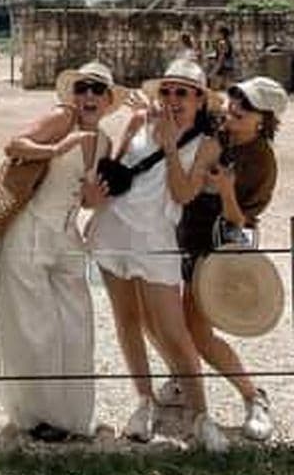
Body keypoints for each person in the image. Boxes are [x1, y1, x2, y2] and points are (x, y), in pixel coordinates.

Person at [87, 58, 228, 451]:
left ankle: (201, 415)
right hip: (115, 229)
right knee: (127, 321)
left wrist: (168, 145)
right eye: (166, 90)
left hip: (157, 238)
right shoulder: (137, 122)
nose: (171, 99)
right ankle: (144, 401)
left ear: (199, 100)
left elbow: (183, 194)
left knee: (174, 331)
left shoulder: (206, 145)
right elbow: (111, 172)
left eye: (182, 92)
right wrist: (93, 202)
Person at [0, 61, 124, 442]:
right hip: (28, 231)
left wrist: (93, 201)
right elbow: (14, 146)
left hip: (66, 237)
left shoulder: (107, 143)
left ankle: (71, 413)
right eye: (82, 88)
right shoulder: (63, 119)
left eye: (97, 90)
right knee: (36, 326)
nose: (89, 96)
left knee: (77, 322)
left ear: (109, 99)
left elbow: (80, 199)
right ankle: (38, 416)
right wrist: (59, 146)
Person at [157, 75, 286, 441]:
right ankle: (184, 377)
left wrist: (227, 191)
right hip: (184, 233)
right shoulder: (221, 128)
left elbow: (241, 220)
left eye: (244, 108)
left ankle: (252, 395)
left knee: (198, 332)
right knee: (176, 321)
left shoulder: (261, 162)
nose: (233, 110)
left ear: (263, 119)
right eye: (234, 99)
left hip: (215, 247)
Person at [208, 26, 236, 90]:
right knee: (226, 83)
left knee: (217, 84)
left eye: (218, 33)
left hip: (222, 64)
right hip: (228, 64)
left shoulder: (222, 42)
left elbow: (222, 55)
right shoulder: (228, 42)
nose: (217, 35)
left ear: (222, 33)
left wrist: (217, 66)